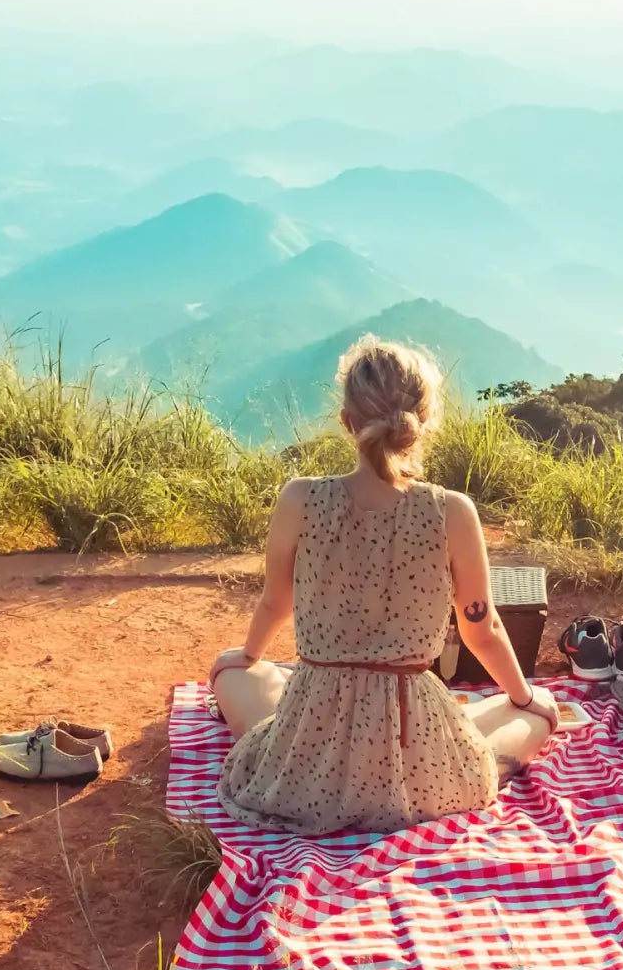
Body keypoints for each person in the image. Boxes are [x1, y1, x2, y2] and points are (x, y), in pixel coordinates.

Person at [208, 336, 559, 835]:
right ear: (424, 422)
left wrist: (246, 653)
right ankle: (503, 723)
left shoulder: (299, 499)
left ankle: (283, 713)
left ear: (347, 420)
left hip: (313, 737)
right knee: (532, 713)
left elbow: (275, 602)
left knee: (235, 675)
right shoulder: (452, 510)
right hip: (416, 744)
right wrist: (525, 697)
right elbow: (483, 629)